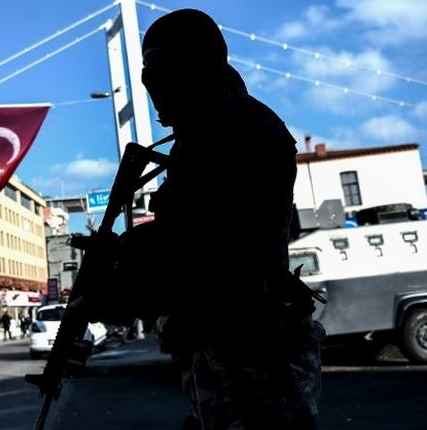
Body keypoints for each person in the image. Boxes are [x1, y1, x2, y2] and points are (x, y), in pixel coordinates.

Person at [96, 9, 325, 430]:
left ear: (191, 68)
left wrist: (123, 266)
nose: (153, 89)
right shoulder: (219, 125)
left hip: (248, 342)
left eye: (159, 73)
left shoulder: (226, 129)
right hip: (244, 337)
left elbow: (201, 243)